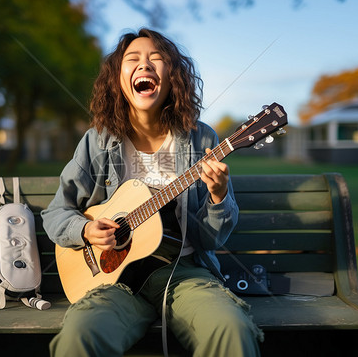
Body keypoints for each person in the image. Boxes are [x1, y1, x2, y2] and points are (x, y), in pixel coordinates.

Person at [41, 28, 263, 356]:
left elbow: (210, 240)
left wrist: (218, 196)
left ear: (173, 77)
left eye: (156, 59)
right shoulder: (97, 141)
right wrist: (85, 229)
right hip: (112, 283)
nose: (144, 65)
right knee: (80, 336)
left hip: (184, 275)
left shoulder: (201, 139)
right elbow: (56, 213)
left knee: (231, 329)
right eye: (133, 59)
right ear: (117, 79)